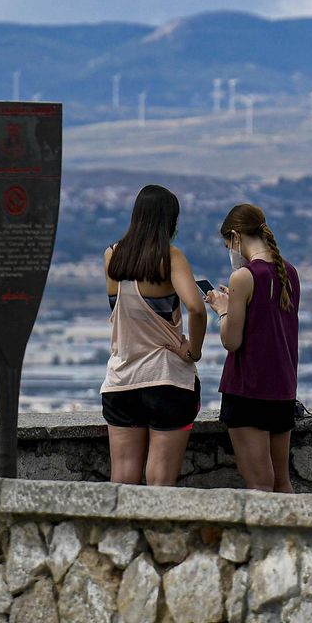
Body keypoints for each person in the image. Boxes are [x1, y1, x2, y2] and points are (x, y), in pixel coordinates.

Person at [102, 184, 206, 486]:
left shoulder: (112, 256)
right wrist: (192, 351)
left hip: (121, 379)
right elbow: (196, 309)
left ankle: (122, 532)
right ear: (168, 221)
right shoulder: (171, 258)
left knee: (122, 477)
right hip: (167, 379)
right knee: (160, 481)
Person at [206, 203, 301, 492]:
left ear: (236, 237)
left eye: (228, 245)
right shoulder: (290, 273)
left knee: (259, 485)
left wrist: (223, 309)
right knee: (282, 483)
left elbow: (231, 341)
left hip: (247, 390)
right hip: (282, 389)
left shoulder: (243, 277)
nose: (230, 252)